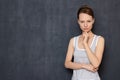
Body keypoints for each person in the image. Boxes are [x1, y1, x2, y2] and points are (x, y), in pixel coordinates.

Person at [64, 5, 105, 80]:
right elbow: (67, 64)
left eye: (88, 21)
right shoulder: (73, 40)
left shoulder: (99, 40)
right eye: (82, 21)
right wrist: (84, 66)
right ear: (78, 22)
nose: (85, 25)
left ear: (93, 20)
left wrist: (85, 44)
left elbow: (96, 64)